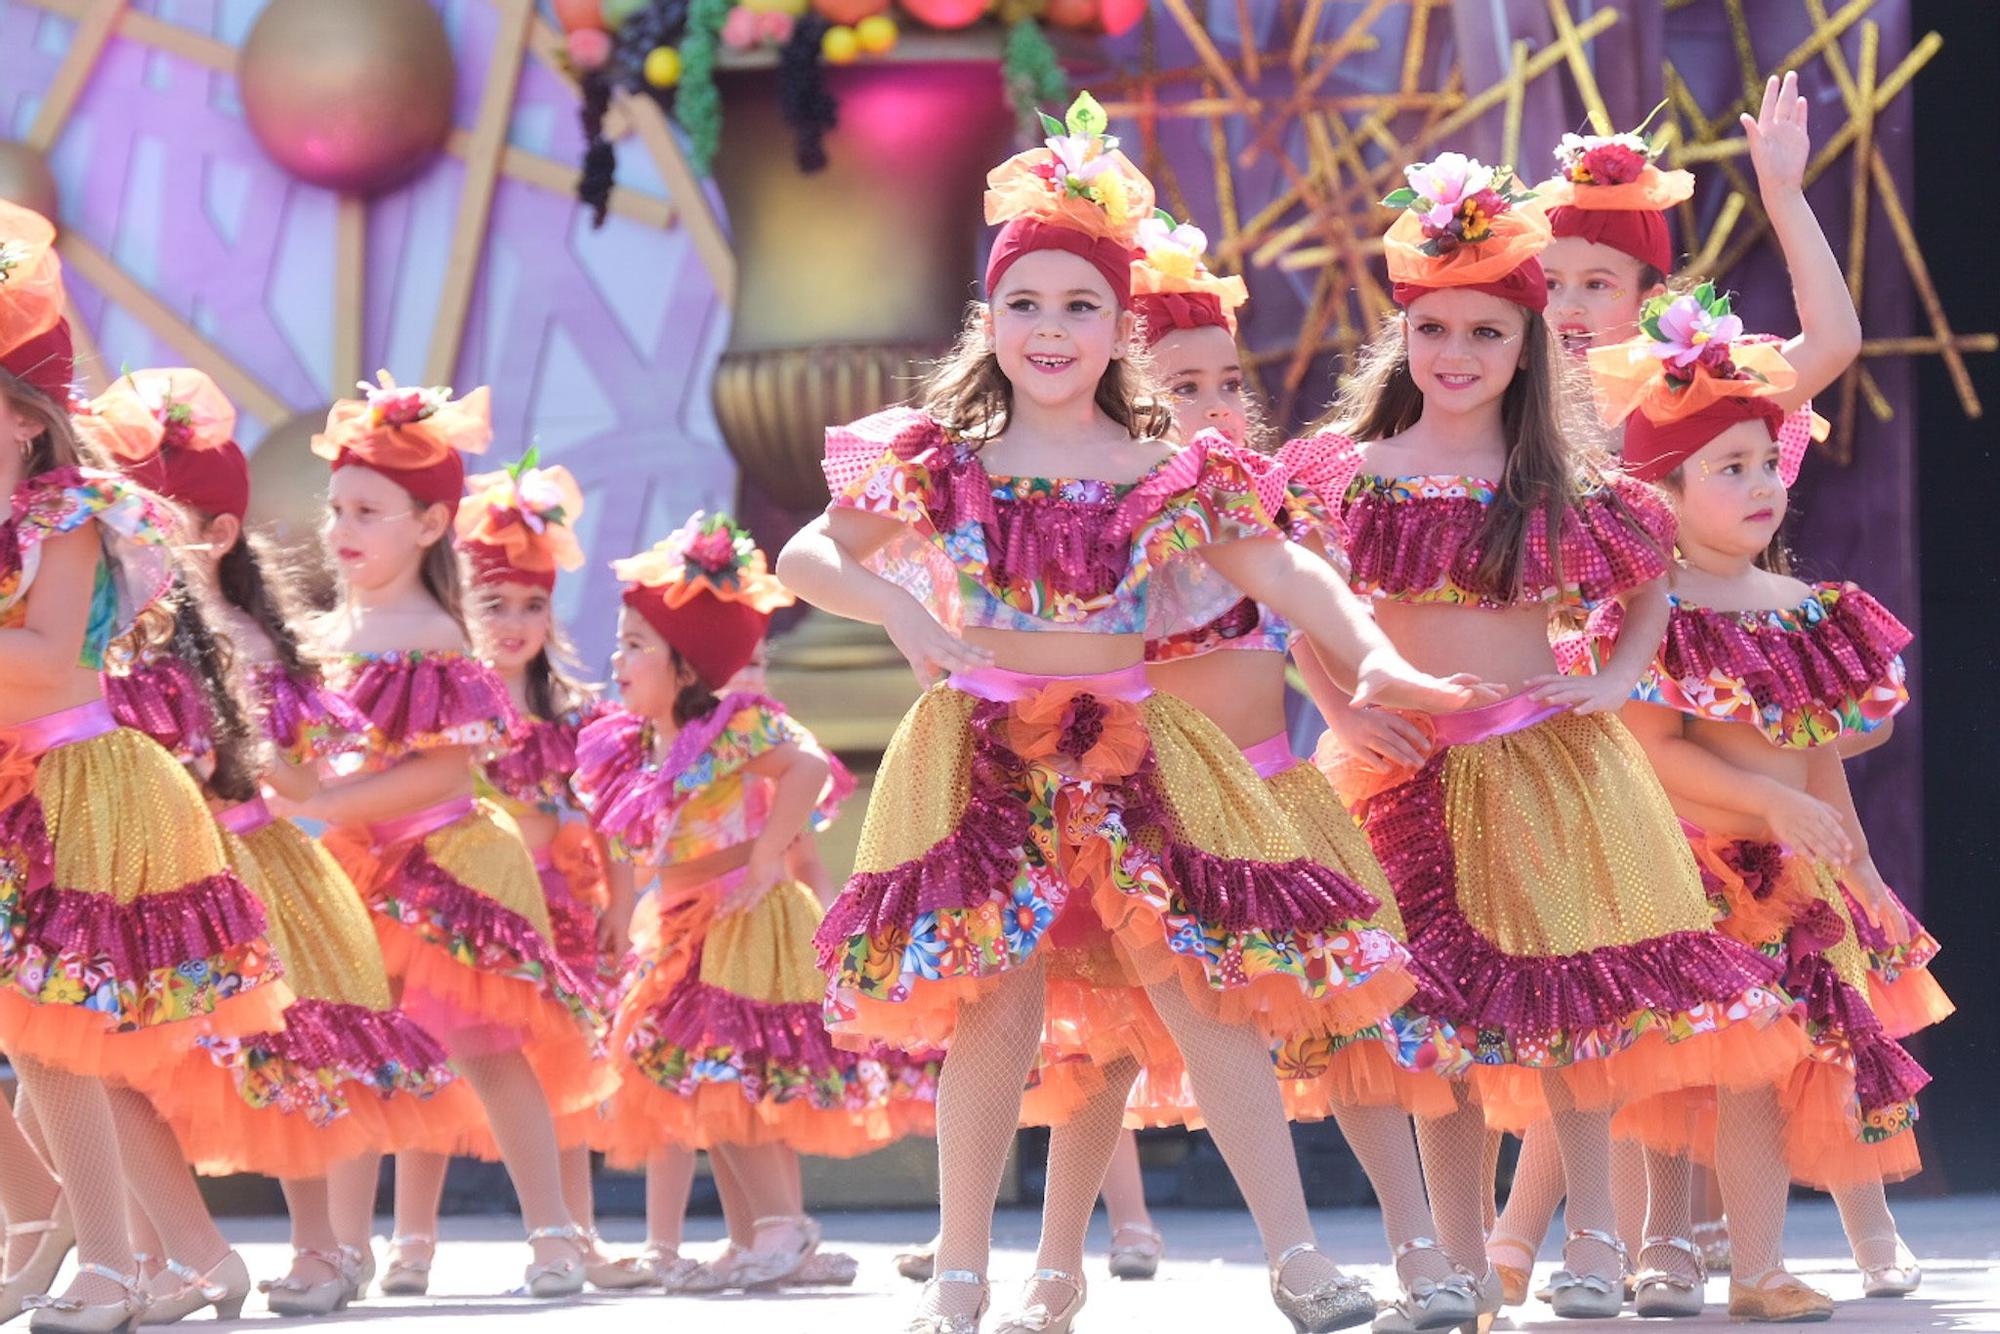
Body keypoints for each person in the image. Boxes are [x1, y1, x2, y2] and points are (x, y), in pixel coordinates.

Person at [778, 93, 1498, 1334]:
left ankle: (1295, 1262)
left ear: (1121, 327)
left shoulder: (1169, 468)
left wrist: (1372, 655)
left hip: (1127, 746)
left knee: (1200, 983)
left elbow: (1283, 568)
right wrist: (899, 613)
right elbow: (803, 553)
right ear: (987, 318)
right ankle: (961, 1273)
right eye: (1023, 303)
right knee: (994, 1002)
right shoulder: (937, 456)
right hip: (982, 746)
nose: (1048, 329)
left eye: (1077, 307)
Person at [1585, 289, 1931, 1320]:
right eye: (1724, 468)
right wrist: (1761, 804)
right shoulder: (1657, 609)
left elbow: (1818, 754)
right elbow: (1651, 753)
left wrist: (1856, 866)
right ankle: (1658, 1248)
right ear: (1664, 494)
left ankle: (1756, 1261)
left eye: (1760, 462)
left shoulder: (1801, 611)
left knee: (1762, 1075)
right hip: (1686, 875)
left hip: (1788, 885)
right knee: (1666, 1080)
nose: (1755, 484)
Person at [277, 374, 608, 1298]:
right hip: (355, 865)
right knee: (349, 1044)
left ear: (428, 526)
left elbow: (441, 771)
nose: (344, 527)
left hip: (442, 856)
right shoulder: (330, 628)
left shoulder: (430, 630)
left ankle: (551, 1231)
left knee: (486, 1044)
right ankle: (344, 1246)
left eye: (370, 511)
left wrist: (324, 799)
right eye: (338, 507)